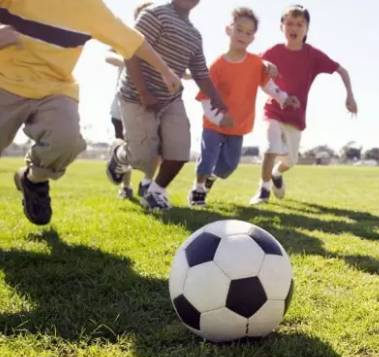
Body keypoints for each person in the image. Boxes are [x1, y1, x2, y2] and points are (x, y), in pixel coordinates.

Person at [0, 0, 180, 225]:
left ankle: (32, 180)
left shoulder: (90, 8)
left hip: (56, 88)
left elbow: (132, 41)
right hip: (4, 82)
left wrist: (165, 71)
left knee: (66, 142)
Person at [107, 0, 226, 211]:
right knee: (143, 159)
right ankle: (119, 154)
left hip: (170, 100)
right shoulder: (155, 14)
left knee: (180, 150)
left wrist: (216, 98)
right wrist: (144, 92)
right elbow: (130, 52)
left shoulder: (194, 35)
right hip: (136, 96)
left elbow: (200, 72)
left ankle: (155, 192)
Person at [189, 7, 299, 208]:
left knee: (228, 167)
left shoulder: (256, 63)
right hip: (213, 124)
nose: (243, 35)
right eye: (239, 29)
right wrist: (219, 118)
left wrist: (285, 98)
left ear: (253, 38)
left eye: (248, 33)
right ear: (228, 30)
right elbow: (205, 98)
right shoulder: (217, 66)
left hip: (238, 126)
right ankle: (198, 188)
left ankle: (211, 178)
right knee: (207, 158)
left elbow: (268, 85)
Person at [249, 4, 358, 205]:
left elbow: (342, 70)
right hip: (273, 110)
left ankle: (276, 174)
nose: (294, 28)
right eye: (290, 23)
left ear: (307, 29)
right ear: (281, 27)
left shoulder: (313, 55)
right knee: (271, 146)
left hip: (295, 118)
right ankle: (263, 190)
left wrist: (349, 96)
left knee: (291, 161)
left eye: (300, 24)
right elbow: (252, 63)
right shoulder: (273, 51)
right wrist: (264, 64)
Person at [105, 1, 155, 200]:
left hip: (150, 109)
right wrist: (127, 62)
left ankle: (147, 184)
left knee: (155, 147)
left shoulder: (160, 45)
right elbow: (108, 55)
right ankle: (125, 187)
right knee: (128, 148)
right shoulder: (126, 39)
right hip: (122, 109)